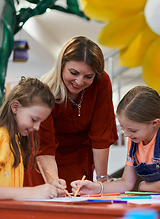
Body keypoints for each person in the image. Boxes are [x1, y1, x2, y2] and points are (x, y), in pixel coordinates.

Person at [24, 36, 118, 192]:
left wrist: (102, 183)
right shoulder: (45, 92)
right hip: (45, 163)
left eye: (88, 76)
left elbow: (100, 135)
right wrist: (54, 183)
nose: (80, 82)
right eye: (74, 73)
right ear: (61, 65)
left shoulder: (101, 83)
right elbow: (45, 147)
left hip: (79, 159)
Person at [71, 85, 160, 195]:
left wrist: (144, 185)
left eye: (133, 130)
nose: (127, 135)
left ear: (154, 123)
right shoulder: (134, 140)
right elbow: (126, 183)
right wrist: (96, 188)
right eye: (123, 129)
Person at [0, 77, 60, 219]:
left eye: (41, 122)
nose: (37, 127)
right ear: (15, 107)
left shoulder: (15, 139)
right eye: (34, 120)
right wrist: (32, 192)